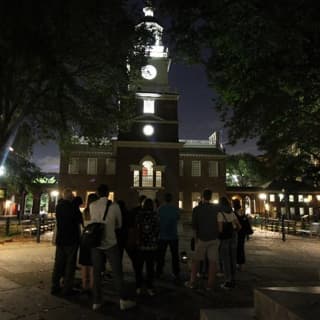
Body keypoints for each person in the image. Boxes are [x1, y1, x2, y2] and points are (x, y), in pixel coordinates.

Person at [90, 184, 136, 311]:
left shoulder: (92, 205)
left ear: (98, 193)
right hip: (111, 242)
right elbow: (119, 224)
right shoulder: (115, 206)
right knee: (117, 272)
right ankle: (122, 300)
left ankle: (96, 301)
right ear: (108, 193)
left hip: (96, 243)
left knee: (97, 273)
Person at [185, 189, 219, 290]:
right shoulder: (216, 209)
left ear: (202, 197)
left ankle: (192, 282)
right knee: (213, 262)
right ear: (211, 197)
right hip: (214, 238)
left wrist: (195, 239)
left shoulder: (197, 209)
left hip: (202, 238)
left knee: (196, 261)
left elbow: (194, 226)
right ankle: (210, 284)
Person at [51, 189, 82, 296]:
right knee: (70, 264)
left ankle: (54, 286)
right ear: (71, 197)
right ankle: (67, 288)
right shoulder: (73, 207)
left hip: (61, 239)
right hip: (72, 240)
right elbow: (79, 219)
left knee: (58, 264)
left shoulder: (58, 207)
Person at [135, 198, 160, 296]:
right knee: (150, 268)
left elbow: (136, 228)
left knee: (139, 267)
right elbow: (158, 230)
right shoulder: (155, 216)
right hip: (152, 246)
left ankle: (138, 287)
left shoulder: (139, 215)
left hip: (140, 245)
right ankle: (150, 287)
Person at [217, 196, 241, 289]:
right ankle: (234, 278)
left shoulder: (220, 214)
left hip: (225, 238)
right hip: (233, 236)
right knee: (233, 258)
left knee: (225, 259)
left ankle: (228, 280)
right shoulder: (232, 213)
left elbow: (220, 229)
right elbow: (239, 226)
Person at [156, 193, 180, 282]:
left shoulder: (160, 209)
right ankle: (176, 272)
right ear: (171, 199)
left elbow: (157, 220)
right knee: (175, 255)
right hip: (173, 235)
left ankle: (159, 272)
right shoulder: (175, 209)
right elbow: (178, 218)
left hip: (162, 236)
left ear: (164, 199)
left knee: (161, 255)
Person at [78, 193, 98, 292]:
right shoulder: (97, 212)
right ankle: (92, 285)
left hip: (84, 238)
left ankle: (84, 284)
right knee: (93, 263)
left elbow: (82, 226)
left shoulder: (85, 212)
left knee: (84, 263)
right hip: (94, 238)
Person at [233, 199, 252, 271]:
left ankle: (236, 264)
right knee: (241, 248)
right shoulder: (242, 213)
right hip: (243, 233)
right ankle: (241, 265)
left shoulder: (234, 213)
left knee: (236, 248)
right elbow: (246, 222)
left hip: (237, 232)